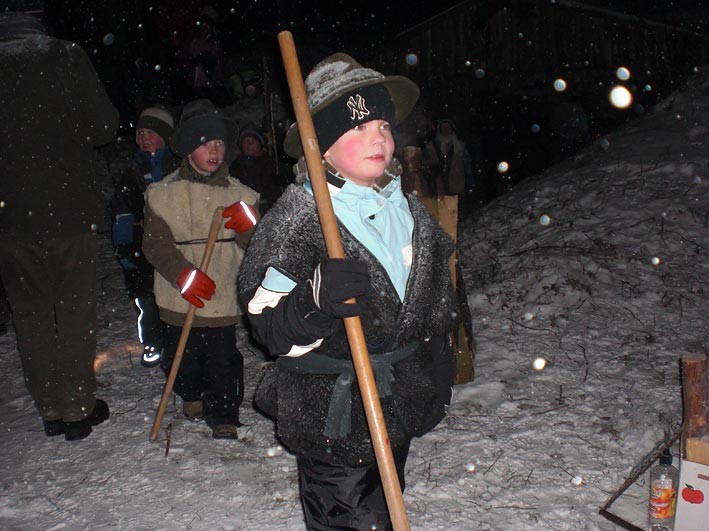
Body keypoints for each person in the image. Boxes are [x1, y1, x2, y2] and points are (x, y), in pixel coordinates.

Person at [238, 53, 457, 530]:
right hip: (332, 414)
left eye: (381, 123)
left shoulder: (406, 207)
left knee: (384, 504)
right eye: (356, 128)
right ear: (322, 150)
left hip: (396, 401)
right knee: (350, 522)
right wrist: (312, 303)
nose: (376, 137)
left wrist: (438, 369)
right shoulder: (300, 220)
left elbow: (433, 305)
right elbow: (269, 326)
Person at [0, 11, 119, 441]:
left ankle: (50, 405)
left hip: (9, 217)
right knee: (74, 310)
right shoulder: (65, 57)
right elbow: (105, 125)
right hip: (67, 209)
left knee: (29, 315)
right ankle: (77, 407)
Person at [142, 99, 259, 439]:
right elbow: (156, 245)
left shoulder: (240, 194)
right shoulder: (163, 195)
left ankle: (224, 412)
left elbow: (257, 245)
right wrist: (182, 274)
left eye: (220, 143)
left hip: (221, 293)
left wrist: (248, 226)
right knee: (184, 358)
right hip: (180, 296)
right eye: (206, 143)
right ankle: (191, 393)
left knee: (223, 360)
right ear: (189, 147)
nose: (214, 150)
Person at [110, 106, 179, 368]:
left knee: (173, 295)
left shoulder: (177, 168)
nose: (145, 137)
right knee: (146, 297)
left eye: (151, 132)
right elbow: (122, 209)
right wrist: (125, 245)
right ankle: (152, 341)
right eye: (140, 133)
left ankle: (175, 341)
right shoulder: (132, 171)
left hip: (173, 243)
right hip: (141, 244)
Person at [228, 123, 290, 214]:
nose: (249, 144)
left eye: (253, 140)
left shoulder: (273, 164)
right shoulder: (235, 167)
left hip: (271, 211)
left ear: (260, 144)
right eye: (246, 141)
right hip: (245, 212)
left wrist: (281, 180)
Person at [424, 118, 474, 196]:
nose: (446, 129)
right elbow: (425, 163)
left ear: (452, 128)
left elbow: (466, 164)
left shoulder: (460, 145)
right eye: (443, 127)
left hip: (456, 183)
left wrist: (469, 182)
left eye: (448, 127)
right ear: (440, 129)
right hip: (437, 185)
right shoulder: (430, 146)